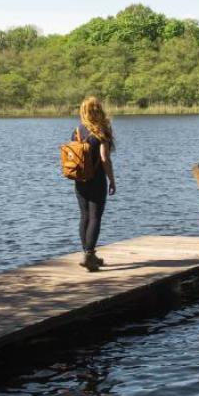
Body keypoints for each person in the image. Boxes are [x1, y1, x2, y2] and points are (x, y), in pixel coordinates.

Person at [74, 96, 116, 271]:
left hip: (79, 180)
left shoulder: (78, 130)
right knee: (95, 217)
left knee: (84, 216)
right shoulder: (101, 131)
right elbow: (105, 159)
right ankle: (89, 254)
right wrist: (112, 179)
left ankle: (88, 254)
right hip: (96, 180)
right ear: (98, 110)